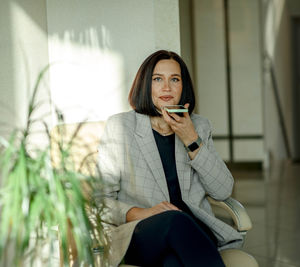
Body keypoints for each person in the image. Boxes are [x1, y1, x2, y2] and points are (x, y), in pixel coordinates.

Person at [96, 50, 243, 267]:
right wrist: (143, 213)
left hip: (192, 232)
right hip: (143, 234)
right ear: (146, 85)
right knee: (176, 221)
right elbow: (99, 201)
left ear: (184, 87)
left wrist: (191, 139)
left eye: (175, 79)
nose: (167, 87)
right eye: (158, 79)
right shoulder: (121, 127)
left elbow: (222, 190)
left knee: (173, 262)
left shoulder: (199, 126)